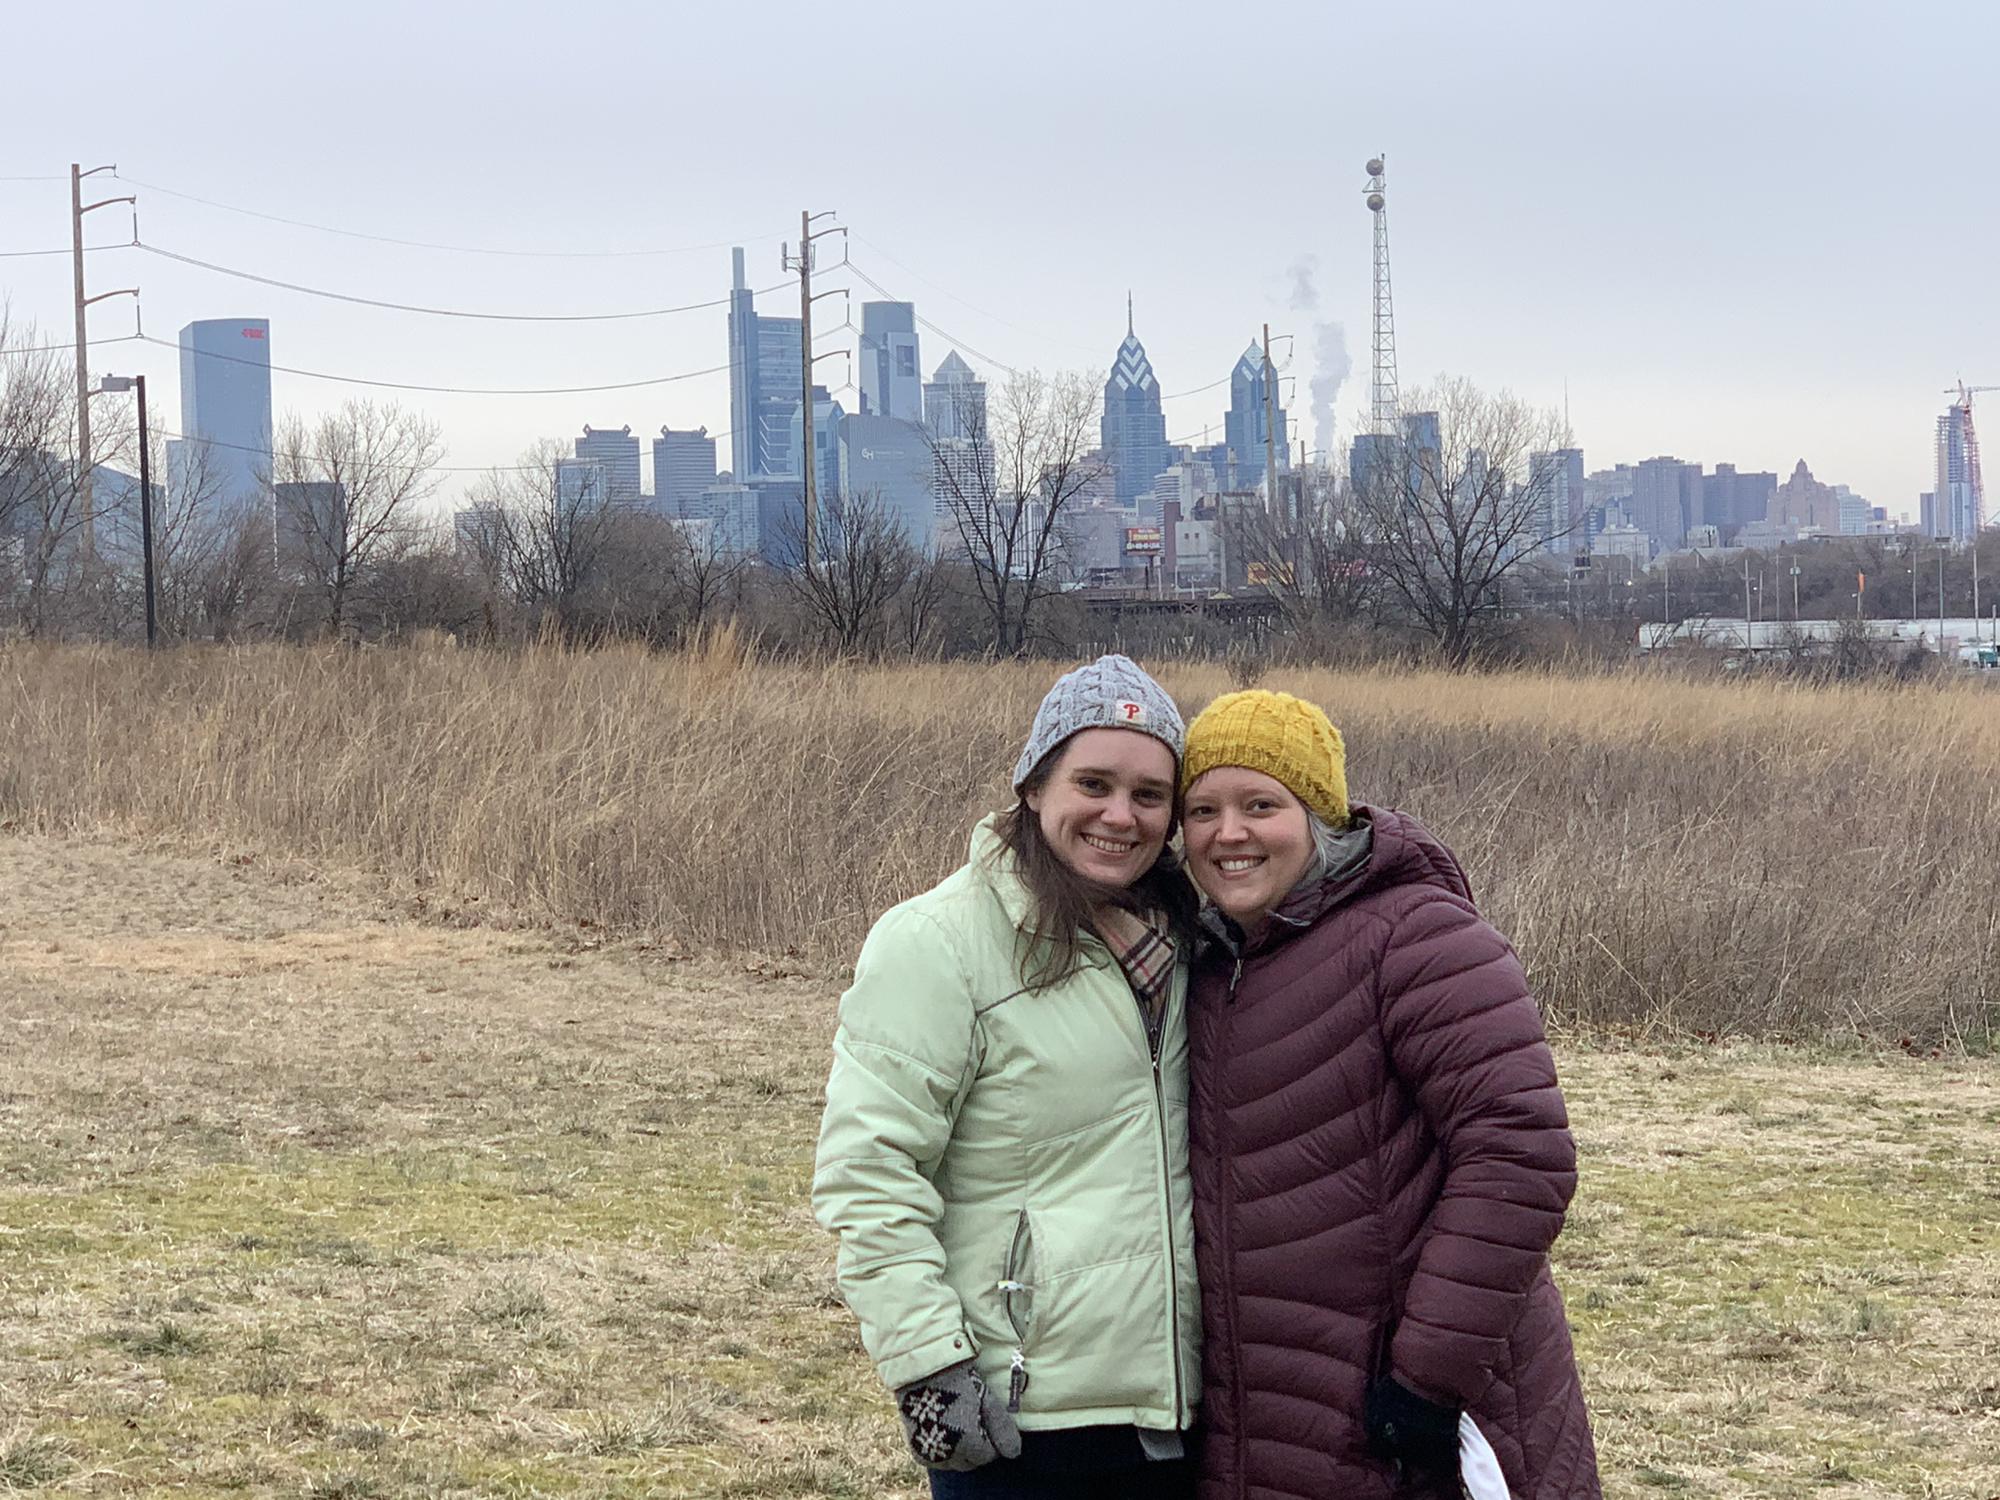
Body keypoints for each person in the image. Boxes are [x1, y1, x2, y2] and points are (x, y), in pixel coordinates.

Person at [1176, 689, 1600, 1500]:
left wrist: (1425, 1378)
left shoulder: (1417, 937)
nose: (1229, 833)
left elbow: (1520, 1153)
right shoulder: (1206, 963)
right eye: (1204, 809)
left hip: (1414, 1421)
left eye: (1261, 804)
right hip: (1268, 1423)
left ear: (1320, 816)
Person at [813, 655, 1203, 1499]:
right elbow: (871, 1173)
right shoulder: (938, 942)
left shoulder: (1195, 944)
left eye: (1148, 795)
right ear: (1033, 785)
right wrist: (927, 1369)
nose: (1118, 815)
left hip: (1184, 1412)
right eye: (1092, 783)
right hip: (1018, 1421)